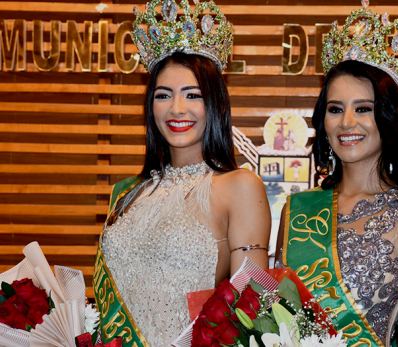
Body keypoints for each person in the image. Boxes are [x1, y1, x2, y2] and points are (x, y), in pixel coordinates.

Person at [276, 2, 398, 346]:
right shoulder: (297, 210)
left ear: (390, 119)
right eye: (335, 109)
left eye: (364, 108)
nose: (347, 122)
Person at [93, 1, 271, 346]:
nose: (177, 109)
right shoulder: (127, 193)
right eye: (163, 95)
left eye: (193, 95)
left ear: (215, 103)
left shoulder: (239, 187)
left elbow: (254, 311)